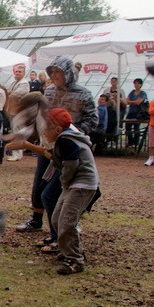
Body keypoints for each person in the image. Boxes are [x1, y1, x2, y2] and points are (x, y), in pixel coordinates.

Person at [8, 55, 97, 250]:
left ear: (68, 73)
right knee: (41, 186)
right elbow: (40, 117)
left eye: (58, 72)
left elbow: (93, 120)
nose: (55, 75)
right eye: (52, 72)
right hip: (47, 145)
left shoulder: (83, 94)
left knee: (57, 190)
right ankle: (38, 220)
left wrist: (71, 134)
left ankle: (63, 230)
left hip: (67, 148)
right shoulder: (48, 92)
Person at [41, 108, 99, 275]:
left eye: (46, 128)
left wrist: (64, 183)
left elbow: (70, 165)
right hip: (74, 183)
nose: (44, 132)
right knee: (57, 219)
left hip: (82, 185)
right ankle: (71, 250)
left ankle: (75, 260)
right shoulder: (65, 139)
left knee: (67, 221)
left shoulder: (66, 140)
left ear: (57, 129)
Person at [6, 64, 31, 161]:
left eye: (19, 72)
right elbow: (9, 92)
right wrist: (10, 92)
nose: (17, 73)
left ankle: (17, 154)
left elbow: (15, 94)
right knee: (15, 131)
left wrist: (10, 92)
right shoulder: (14, 82)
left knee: (18, 132)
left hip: (20, 110)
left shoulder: (24, 83)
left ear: (23, 73)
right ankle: (17, 153)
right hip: (13, 110)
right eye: (16, 71)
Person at [124, 78, 148, 148]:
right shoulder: (132, 92)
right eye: (135, 83)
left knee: (136, 128)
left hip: (138, 113)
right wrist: (133, 102)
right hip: (131, 111)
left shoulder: (143, 93)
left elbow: (138, 102)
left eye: (138, 83)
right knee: (128, 127)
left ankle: (136, 142)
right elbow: (126, 101)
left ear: (141, 84)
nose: (136, 85)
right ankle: (130, 142)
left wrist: (131, 102)